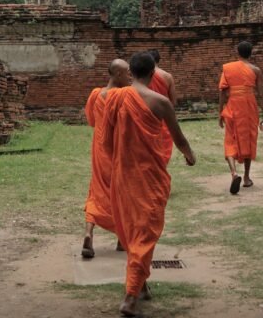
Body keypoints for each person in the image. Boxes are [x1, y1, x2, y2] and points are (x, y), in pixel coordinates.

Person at [104, 52, 196, 317]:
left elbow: (106, 139)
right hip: (148, 175)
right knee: (145, 232)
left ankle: (140, 284)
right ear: (153, 73)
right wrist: (190, 155)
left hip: (123, 174)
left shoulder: (115, 98)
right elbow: (178, 138)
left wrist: (118, 161)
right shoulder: (160, 101)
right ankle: (130, 297)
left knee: (132, 230)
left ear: (130, 73)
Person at [82, 59, 132, 259]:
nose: (130, 76)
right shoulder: (123, 95)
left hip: (99, 150)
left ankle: (88, 232)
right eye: (128, 72)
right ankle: (121, 238)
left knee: (97, 191)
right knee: (121, 194)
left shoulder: (96, 94)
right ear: (118, 74)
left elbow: (91, 121)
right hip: (117, 149)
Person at [218, 41, 263, 194]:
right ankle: (246, 178)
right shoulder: (256, 70)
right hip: (249, 107)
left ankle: (234, 173)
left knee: (230, 139)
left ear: (237, 52)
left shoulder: (228, 68)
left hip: (233, 106)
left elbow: (222, 93)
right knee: (248, 139)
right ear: (251, 53)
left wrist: (220, 112)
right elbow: (260, 95)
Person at [147, 49, 177, 165]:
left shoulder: (142, 77)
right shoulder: (167, 76)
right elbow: (173, 101)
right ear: (159, 60)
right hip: (163, 116)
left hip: (147, 116)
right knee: (163, 150)